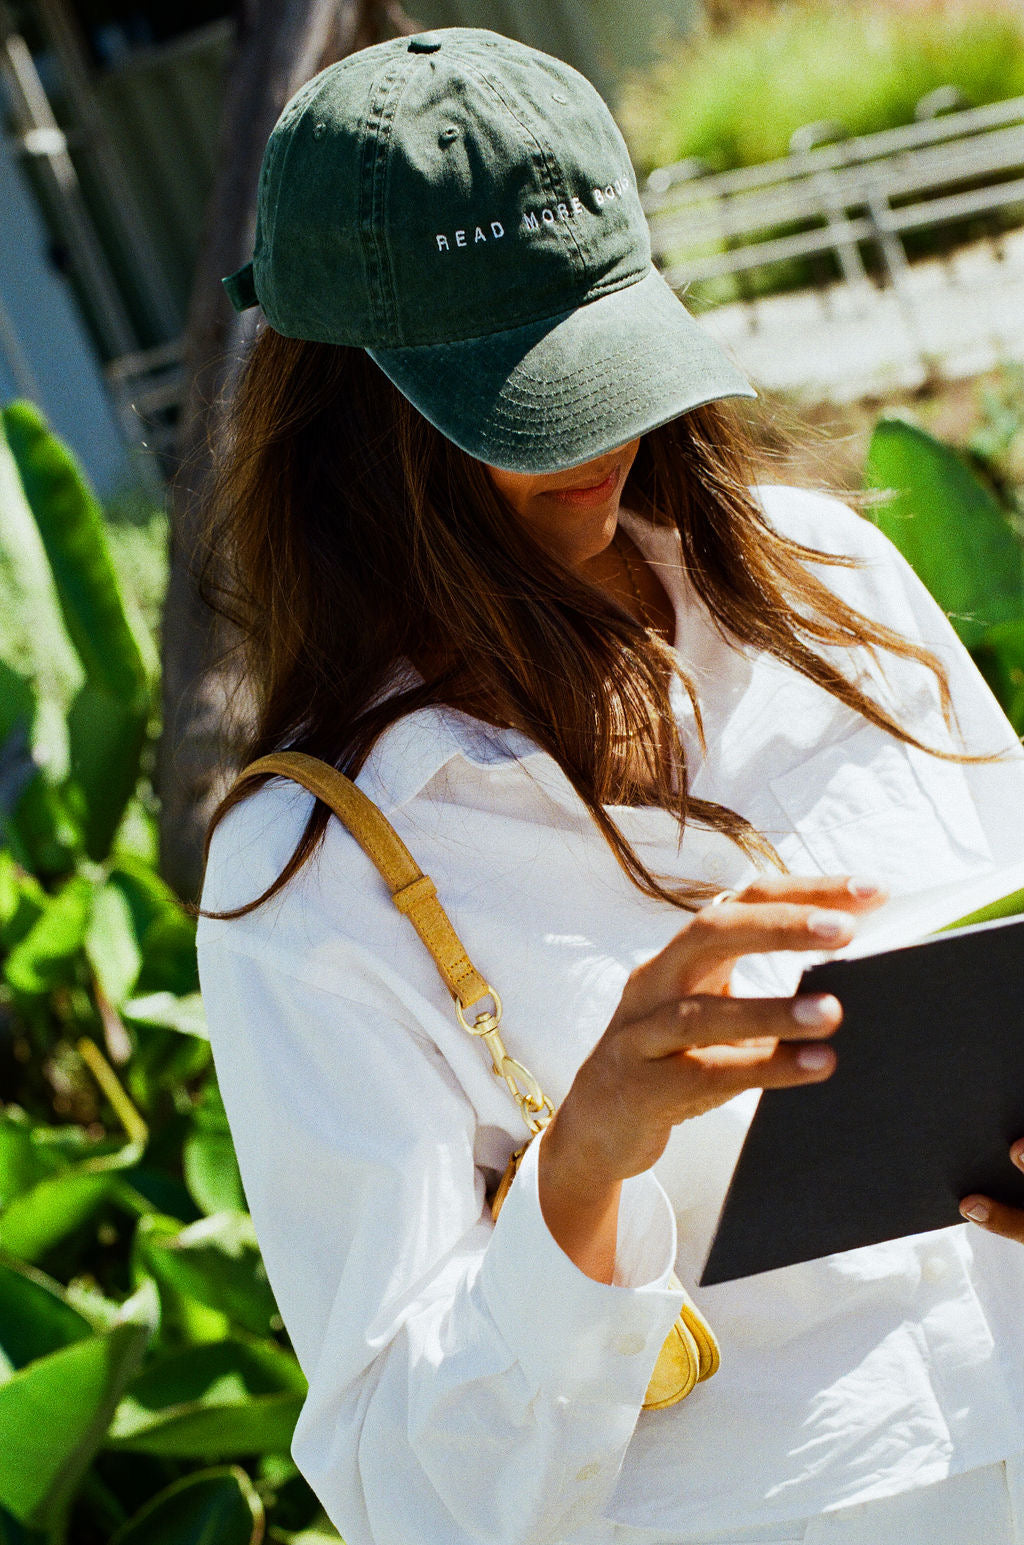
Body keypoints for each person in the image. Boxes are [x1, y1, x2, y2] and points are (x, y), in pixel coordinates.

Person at [193, 27, 1024, 1545]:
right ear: (342, 415)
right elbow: (408, 1493)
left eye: (608, 351)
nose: (602, 434)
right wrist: (587, 1157)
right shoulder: (312, 876)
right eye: (521, 393)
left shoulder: (826, 578)